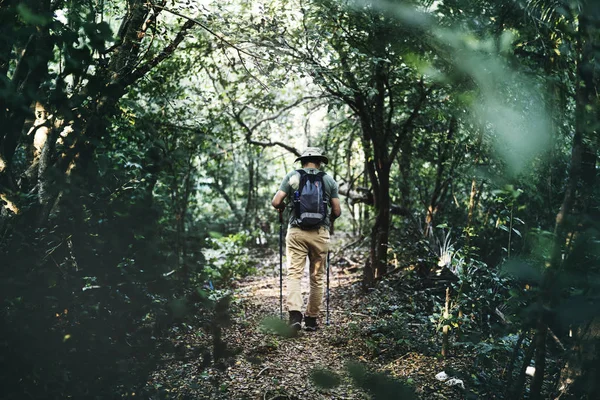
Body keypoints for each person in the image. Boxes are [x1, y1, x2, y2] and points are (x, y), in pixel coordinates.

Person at [271, 147, 341, 333]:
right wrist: (327, 222)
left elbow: (276, 202)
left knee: (294, 273)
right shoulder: (328, 180)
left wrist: (284, 207)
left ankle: (295, 315)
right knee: (317, 277)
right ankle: (311, 320)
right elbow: (337, 211)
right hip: (320, 233)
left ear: (302, 161)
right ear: (319, 161)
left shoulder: (292, 177)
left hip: (296, 232)